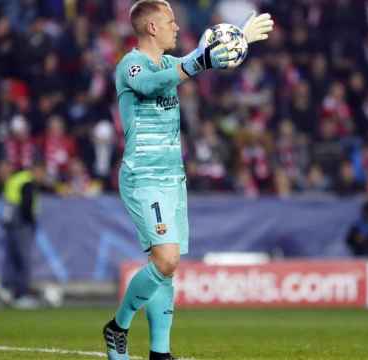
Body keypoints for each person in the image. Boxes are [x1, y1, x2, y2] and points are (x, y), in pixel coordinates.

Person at [102, 2, 273, 360]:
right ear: (151, 27)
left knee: (169, 265)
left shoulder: (171, 64)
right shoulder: (130, 65)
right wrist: (199, 60)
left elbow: (190, 65)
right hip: (143, 177)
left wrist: (241, 37)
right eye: (170, 22)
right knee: (165, 260)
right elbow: (152, 84)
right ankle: (118, 326)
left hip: (172, 178)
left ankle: (159, 353)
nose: (177, 28)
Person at [0, 160, 47, 308]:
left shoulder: (16, 179)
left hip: (10, 222)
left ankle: (6, 290)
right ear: (37, 170)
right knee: (24, 260)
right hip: (21, 223)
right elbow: (27, 207)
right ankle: (21, 295)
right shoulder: (28, 183)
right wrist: (32, 221)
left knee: (12, 258)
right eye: (42, 173)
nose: (42, 177)